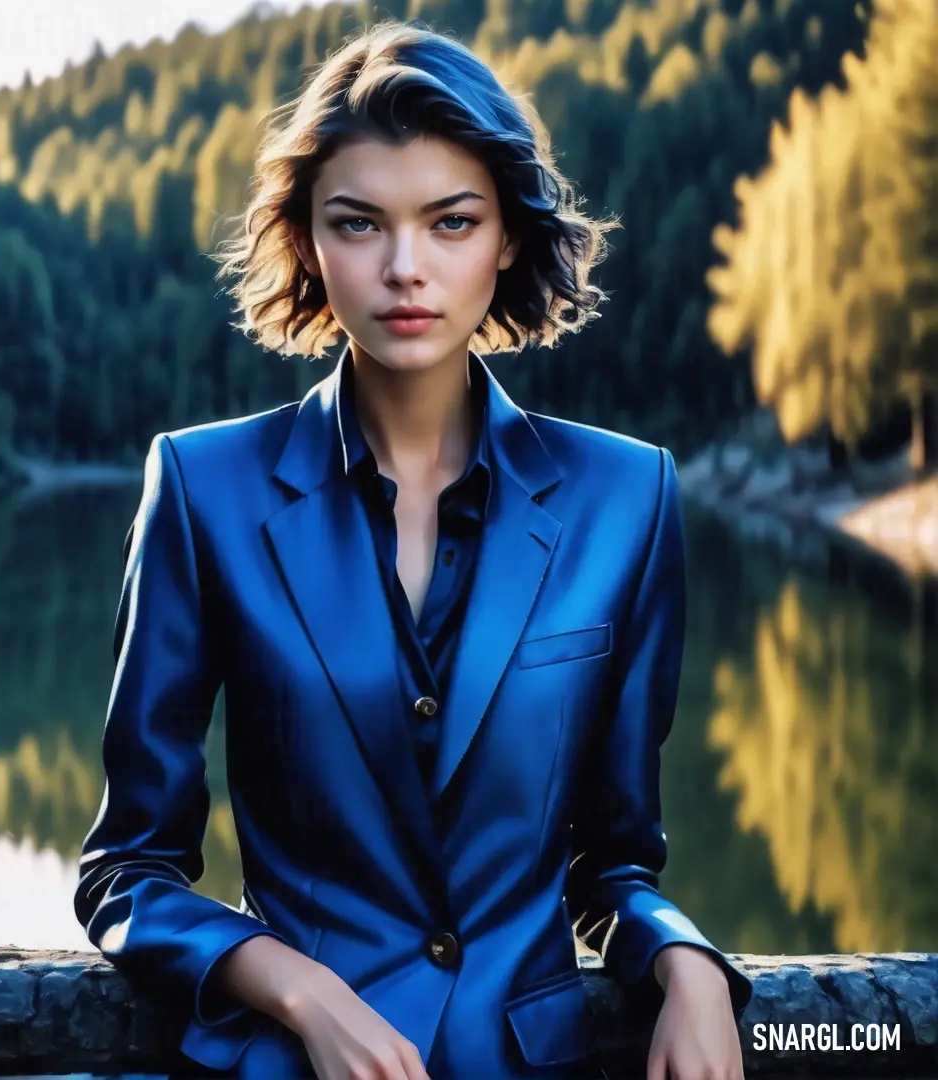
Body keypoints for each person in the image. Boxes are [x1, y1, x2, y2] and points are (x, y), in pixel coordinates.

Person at [74, 19, 753, 1080]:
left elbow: (614, 863)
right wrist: (297, 988)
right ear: (307, 239)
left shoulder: (630, 498)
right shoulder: (203, 489)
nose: (404, 268)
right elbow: (128, 871)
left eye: (450, 222)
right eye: (359, 224)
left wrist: (688, 961)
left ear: (508, 239)